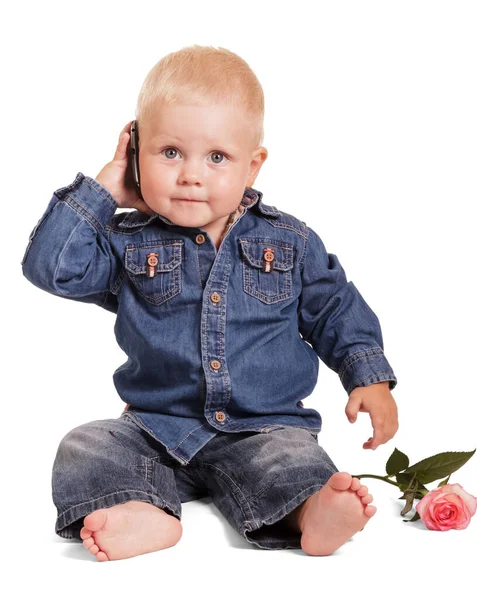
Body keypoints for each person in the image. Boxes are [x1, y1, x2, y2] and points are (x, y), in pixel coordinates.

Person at [21, 45, 399, 562]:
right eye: (170, 152)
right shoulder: (129, 243)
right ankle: (143, 511)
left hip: (263, 427)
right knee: (84, 445)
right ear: (137, 155)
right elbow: (50, 269)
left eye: (216, 157)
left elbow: (334, 308)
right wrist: (105, 189)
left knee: (294, 462)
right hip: (155, 428)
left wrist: (368, 377)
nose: (190, 174)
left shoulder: (288, 241)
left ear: (252, 165)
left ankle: (311, 512)